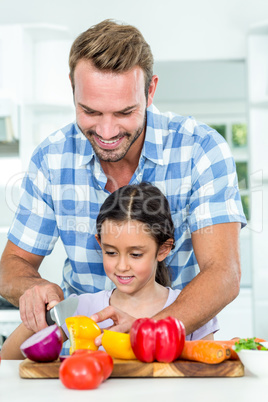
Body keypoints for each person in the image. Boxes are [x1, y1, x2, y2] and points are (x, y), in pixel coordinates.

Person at [0, 19, 246, 338]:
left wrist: (147, 332)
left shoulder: (201, 149)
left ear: (151, 90)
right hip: (81, 351)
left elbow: (224, 273)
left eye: (124, 113)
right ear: (72, 89)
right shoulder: (51, 158)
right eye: (90, 112)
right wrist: (32, 287)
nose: (106, 132)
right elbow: (12, 265)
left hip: (171, 344)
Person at [1, 183, 219, 359]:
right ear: (100, 243)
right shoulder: (82, 308)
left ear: (163, 249)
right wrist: (43, 313)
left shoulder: (191, 308)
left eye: (135, 254)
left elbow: (204, 366)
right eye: (111, 252)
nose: (122, 266)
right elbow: (8, 359)